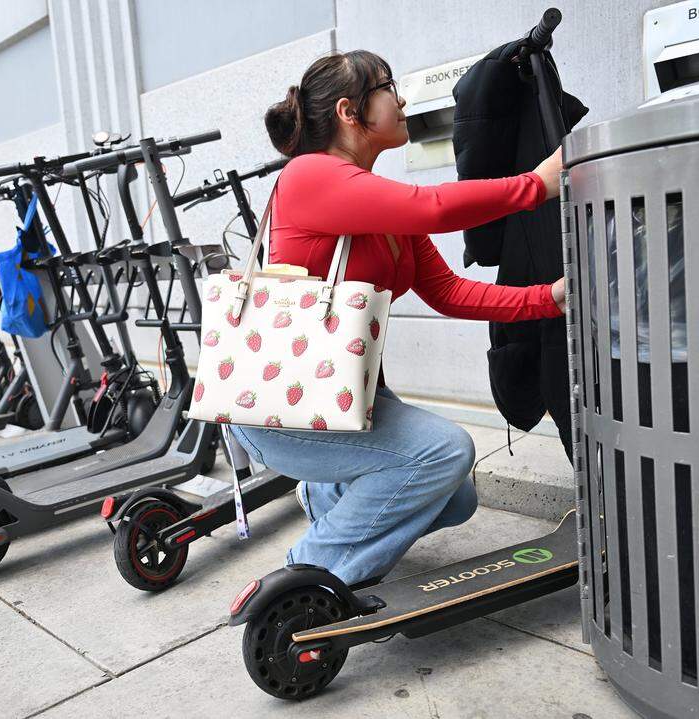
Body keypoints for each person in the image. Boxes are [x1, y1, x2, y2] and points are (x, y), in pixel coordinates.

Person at [229, 50, 565, 587]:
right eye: (389, 87)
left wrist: (549, 298)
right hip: (286, 409)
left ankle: (328, 494)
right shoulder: (309, 176)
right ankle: (305, 580)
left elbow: (449, 291)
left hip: (345, 400)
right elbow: (433, 205)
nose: (402, 99)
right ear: (349, 111)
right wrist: (536, 185)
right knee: (445, 452)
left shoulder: (376, 203)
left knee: (455, 498)